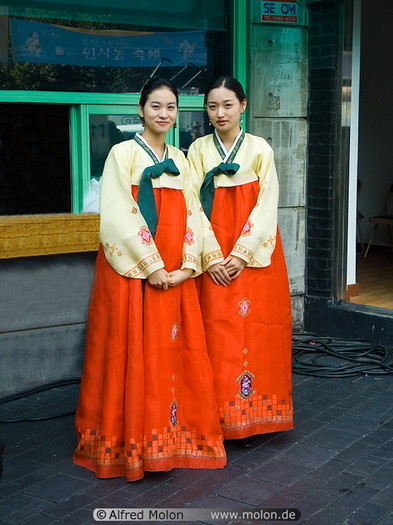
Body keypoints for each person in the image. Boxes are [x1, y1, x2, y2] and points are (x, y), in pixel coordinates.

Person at [73, 78, 227, 482]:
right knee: (130, 350)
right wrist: (152, 266)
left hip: (176, 273)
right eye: (155, 106)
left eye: (171, 107)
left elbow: (195, 213)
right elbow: (118, 215)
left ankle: (172, 437)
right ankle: (131, 443)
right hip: (132, 274)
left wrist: (189, 266)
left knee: (173, 352)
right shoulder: (121, 154)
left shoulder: (182, 158)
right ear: (141, 110)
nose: (163, 113)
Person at [187, 76, 294, 442]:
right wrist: (212, 256)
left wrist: (241, 254)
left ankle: (259, 414)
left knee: (261, 329)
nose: (220, 113)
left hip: (252, 253)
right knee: (217, 331)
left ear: (243, 106)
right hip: (212, 252)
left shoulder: (260, 149)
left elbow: (267, 204)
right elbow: (190, 207)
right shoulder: (198, 150)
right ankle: (218, 414)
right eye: (213, 106)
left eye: (228, 105)